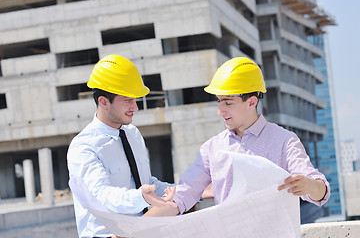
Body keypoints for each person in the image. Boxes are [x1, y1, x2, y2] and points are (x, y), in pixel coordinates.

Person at [143, 56, 330, 217]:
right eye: (219, 102)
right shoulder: (211, 149)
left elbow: (319, 190)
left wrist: (310, 186)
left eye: (228, 102)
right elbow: (181, 197)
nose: (220, 111)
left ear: (252, 102)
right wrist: (132, 230)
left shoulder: (284, 141)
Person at [67, 54, 175, 237]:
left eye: (135, 100)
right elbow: (102, 196)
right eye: (128, 100)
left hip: (141, 230)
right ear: (103, 102)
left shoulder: (133, 134)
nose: (136, 107)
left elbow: (145, 183)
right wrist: (140, 197)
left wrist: (192, 190)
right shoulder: (83, 147)